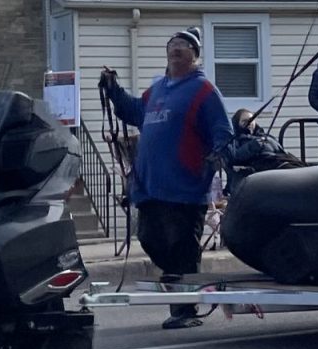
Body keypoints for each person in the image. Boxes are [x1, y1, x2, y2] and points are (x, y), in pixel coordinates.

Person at [99, 28, 232, 330]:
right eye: (172, 44)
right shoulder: (158, 89)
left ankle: (185, 310)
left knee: (181, 247)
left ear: (195, 56)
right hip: (150, 186)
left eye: (184, 45)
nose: (176, 48)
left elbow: (223, 132)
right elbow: (135, 111)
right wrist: (114, 89)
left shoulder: (204, 91)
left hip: (184, 186)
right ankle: (179, 287)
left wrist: (217, 155)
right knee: (150, 238)